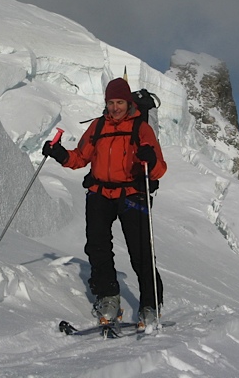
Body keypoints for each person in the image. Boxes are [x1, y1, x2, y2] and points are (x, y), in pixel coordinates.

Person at [43, 77, 167, 328]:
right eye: (111, 102)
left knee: (140, 250)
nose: (115, 107)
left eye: (120, 102)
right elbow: (79, 158)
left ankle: (150, 304)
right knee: (98, 246)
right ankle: (108, 296)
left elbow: (158, 170)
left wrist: (149, 158)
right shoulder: (98, 127)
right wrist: (59, 154)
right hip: (100, 192)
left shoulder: (141, 129)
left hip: (133, 194)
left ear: (128, 102)